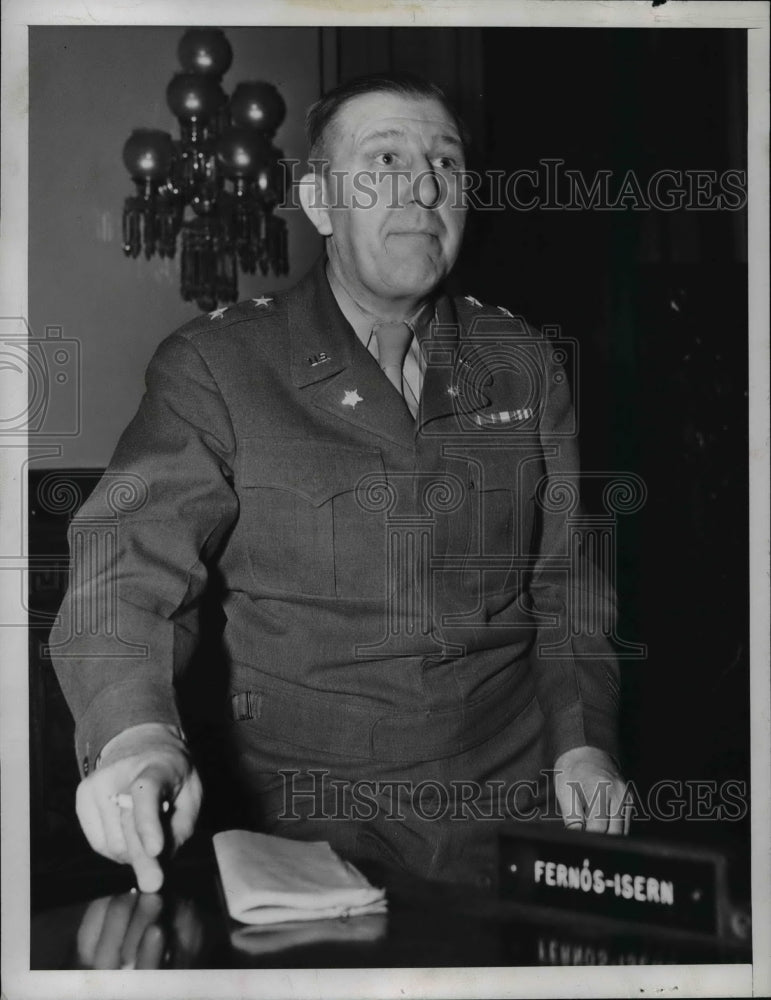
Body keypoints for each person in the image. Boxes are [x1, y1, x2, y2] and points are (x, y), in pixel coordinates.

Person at [51, 73, 627, 894]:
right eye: (384, 159)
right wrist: (136, 738)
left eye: (446, 164)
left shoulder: (524, 360)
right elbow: (126, 571)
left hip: (514, 800)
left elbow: (569, 580)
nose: (424, 186)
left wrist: (583, 742)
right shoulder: (220, 366)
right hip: (306, 820)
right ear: (319, 203)